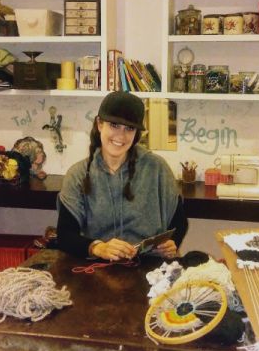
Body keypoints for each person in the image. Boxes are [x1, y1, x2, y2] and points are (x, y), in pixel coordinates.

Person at [57, 91, 188, 261]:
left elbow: (180, 222)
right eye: (114, 125)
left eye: (129, 128)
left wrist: (172, 242)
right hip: (98, 269)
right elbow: (65, 235)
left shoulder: (157, 169)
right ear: (99, 124)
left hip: (150, 267)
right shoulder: (78, 175)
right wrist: (98, 248)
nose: (121, 135)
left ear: (136, 134)